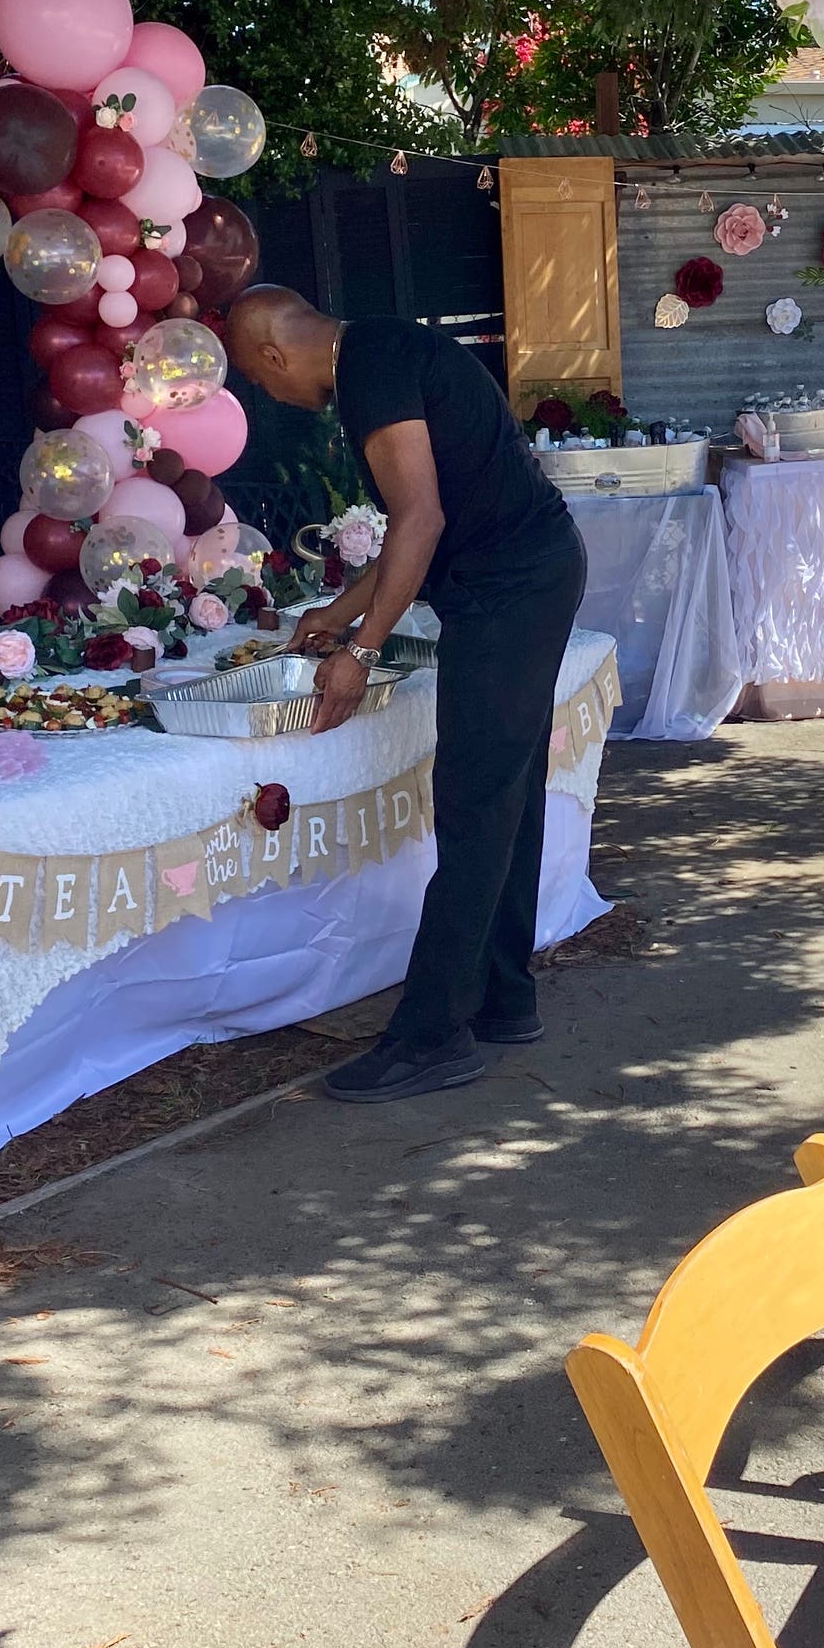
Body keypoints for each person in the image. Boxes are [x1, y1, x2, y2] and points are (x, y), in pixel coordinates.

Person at [223, 286, 590, 1101]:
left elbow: (418, 520)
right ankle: (503, 998)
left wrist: (360, 649)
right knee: (508, 795)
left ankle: (432, 1038)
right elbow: (418, 523)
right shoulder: (382, 347)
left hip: (513, 586)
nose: (270, 396)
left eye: (258, 378)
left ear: (275, 354)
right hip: (526, 573)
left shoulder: (371, 372)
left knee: (473, 805)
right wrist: (339, 608)